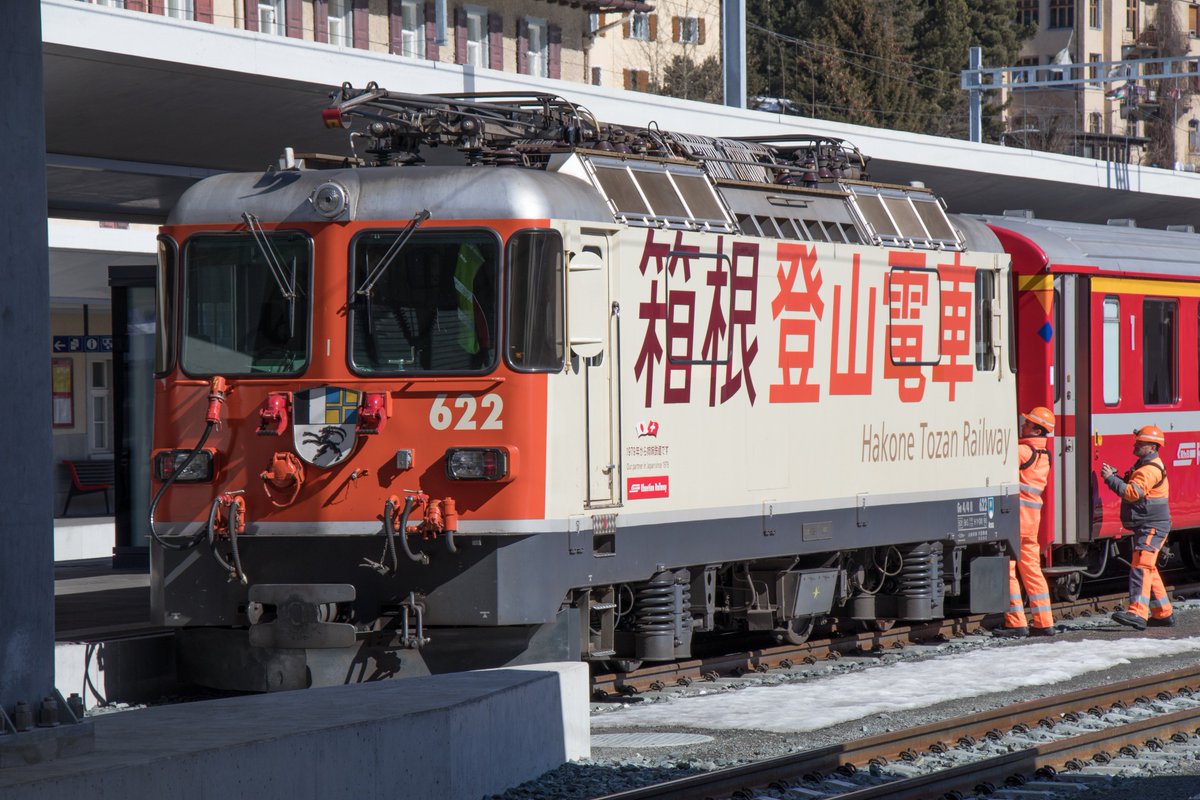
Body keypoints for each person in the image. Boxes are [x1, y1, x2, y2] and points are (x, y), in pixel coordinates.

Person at [1101, 425, 1175, 630]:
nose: (1136, 445)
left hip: (1152, 525)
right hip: (1149, 524)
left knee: (1142, 566)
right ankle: (1163, 613)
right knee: (1147, 567)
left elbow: (1132, 493)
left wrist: (1110, 479)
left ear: (1152, 447)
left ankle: (1138, 613)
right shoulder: (1146, 465)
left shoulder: (1149, 469)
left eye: (1140, 443)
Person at [995, 407, 1057, 638]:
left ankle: (1016, 623)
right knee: (1032, 570)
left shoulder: (1022, 452)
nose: (1023, 425)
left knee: (1008, 570)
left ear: (1037, 429)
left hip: (1016, 521)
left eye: (1028, 424)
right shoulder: (1045, 455)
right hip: (1032, 522)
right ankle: (1044, 622)